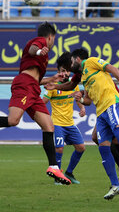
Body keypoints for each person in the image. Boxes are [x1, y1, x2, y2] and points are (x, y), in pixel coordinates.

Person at [0, 22, 72, 185]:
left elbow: (37, 79)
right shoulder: (38, 42)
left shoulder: (44, 58)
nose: (53, 42)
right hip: (24, 84)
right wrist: (40, 50)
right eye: (53, 39)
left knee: (49, 126)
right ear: (50, 37)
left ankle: (53, 166)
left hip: (33, 88)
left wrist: (53, 79)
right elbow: (34, 49)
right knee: (13, 120)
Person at [47, 48, 119, 199]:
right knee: (100, 142)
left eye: (69, 65)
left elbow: (112, 68)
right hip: (101, 110)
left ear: (76, 59)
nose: (68, 70)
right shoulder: (83, 76)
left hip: (113, 101)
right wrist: (73, 96)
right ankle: (118, 181)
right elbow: (81, 96)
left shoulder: (91, 63)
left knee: (116, 134)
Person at [43, 53, 86, 185]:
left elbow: (77, 97)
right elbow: (43, 101)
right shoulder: (53, 86)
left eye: (67, 71)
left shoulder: (73, 84)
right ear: (58, 72)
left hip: (70, 124)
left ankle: (69, 173)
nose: (66, 73)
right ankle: (58, 177)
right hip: (57, 123)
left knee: (81, 148)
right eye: (63, 71)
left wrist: (82, 108)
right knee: (59, 148)